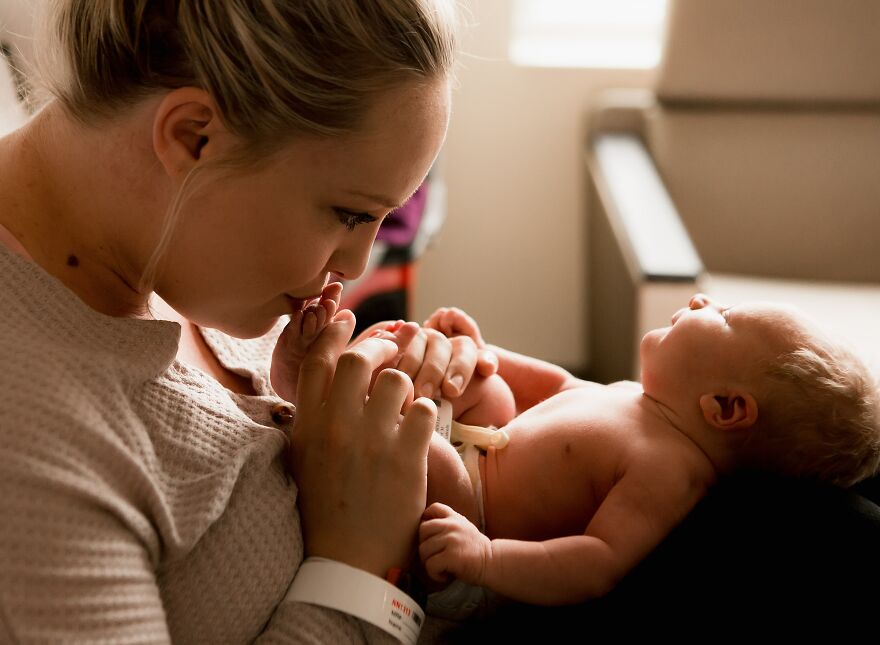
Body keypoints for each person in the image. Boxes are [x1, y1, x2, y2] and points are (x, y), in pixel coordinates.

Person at [0, 2, 500, 643]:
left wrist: (426, 440)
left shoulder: (182, 250)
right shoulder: (28, 451)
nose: (356, 265)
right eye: (349, 215)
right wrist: (366, 572)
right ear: (192, 137)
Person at [286, 295, 879, 613]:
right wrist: (482, 351)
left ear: (725, 407)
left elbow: (597, 562)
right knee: (489, 388)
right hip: (483, 447)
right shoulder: (635, 397)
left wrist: (487, 558)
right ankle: (327, 376)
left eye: (722, 317)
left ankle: (304, 391)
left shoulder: (670, 472)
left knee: (412, 441)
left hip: (472, 519)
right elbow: (554, 387)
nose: (701, 301)